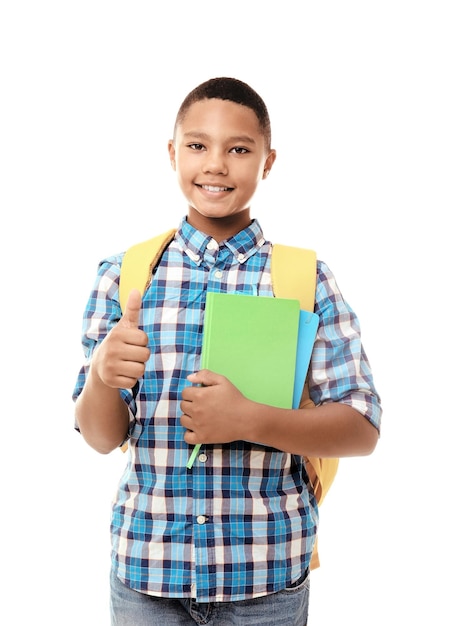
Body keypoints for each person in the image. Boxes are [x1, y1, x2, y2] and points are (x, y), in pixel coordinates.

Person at [73, 77, 382, 625]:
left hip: (264, 578)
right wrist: (101, 376)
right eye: (197, 146)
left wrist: (249, 418)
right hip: (147, 573)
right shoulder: (124, 277)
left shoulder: (304, 279)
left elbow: (361, 427)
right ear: (173, 153)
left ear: (268, 161)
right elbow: (100, 438)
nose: (216, 164)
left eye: (239, 149)